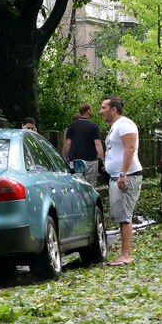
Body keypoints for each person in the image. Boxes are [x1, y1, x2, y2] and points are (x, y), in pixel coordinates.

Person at [100, 96, 142, 267]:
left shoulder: (124, 124)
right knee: (120, 215)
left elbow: (130, 148)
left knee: (125, 216)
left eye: (104, 108)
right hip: (117, 176)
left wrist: (122, 173)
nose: (101, 111)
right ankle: (124, 254)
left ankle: (126, 255)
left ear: (114, 109)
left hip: (127, 175)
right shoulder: (115, 127)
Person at [62, 102, 104, 186]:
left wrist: (65, 156)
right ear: (88, 111)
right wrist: (102, 159)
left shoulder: (73, 125)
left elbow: (68, 143)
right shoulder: (94, 126)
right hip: (91, 160)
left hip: (75, 161)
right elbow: (98, 144)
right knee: (90, 186)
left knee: (76, 185)